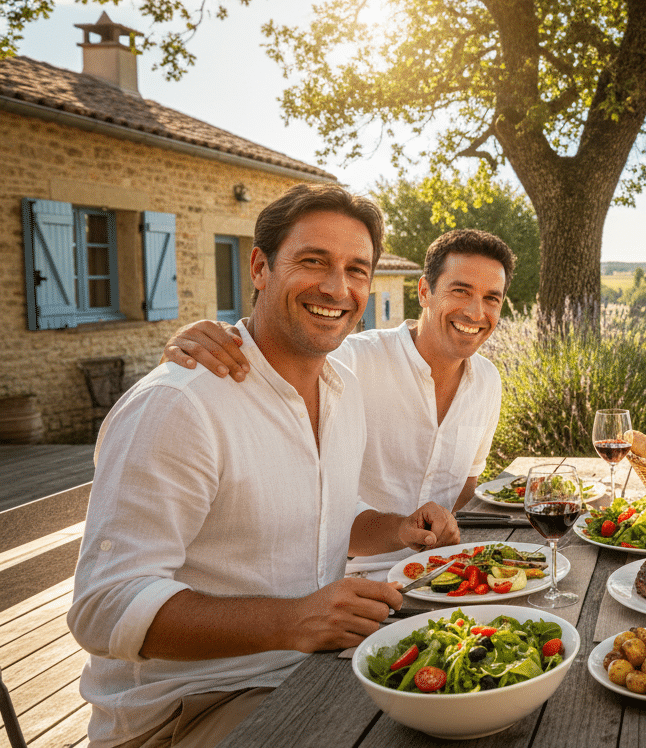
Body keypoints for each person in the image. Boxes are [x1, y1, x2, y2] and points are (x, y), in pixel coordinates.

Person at [67, 184, 460, 748]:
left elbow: (324, 509)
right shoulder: (181, 403)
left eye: (356, 269)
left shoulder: (341, 389)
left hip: (309, 672)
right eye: (313, 261)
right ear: (259, 266)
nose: (336, 287)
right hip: (189, 711)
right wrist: (293, 621)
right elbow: (104, 608)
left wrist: (396, 528)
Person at [163, 229, 513, 577]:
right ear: (424, 291)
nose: (474, 312)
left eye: (491, 298)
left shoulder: (487, 381)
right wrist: (190, 347)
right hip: (347, 578)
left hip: (444, 574)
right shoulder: (349, 361)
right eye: (460, 291)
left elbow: (467, 485)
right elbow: (267, 372)